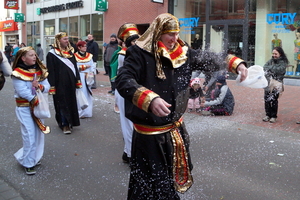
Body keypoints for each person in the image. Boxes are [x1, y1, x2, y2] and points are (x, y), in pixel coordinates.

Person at [115, 13, 248, 199]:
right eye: (170, 34)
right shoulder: (139, 52)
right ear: (158, 32)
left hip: (175, 129)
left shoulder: (183, 52)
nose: (174, 39)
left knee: (168, 177)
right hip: (150, 135)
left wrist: (237, 64)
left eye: (177, 33)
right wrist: (149, 99)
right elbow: (123, 79)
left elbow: (209, 58)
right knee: (149, 183)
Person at [11, 46, 50, 175]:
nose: (34, 57)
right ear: (23, 58)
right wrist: (35, 100)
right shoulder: (17, 73)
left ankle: (34, 157)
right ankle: (28, 162)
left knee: (38, 135)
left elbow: (47, 87)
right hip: (24, 108)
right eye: (31, 55)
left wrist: (39, 85)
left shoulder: (39, 70)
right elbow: (22, 91)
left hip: (37, 108)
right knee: (29, 134)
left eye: (34, 55)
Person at [46, 32, 82, 134]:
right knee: (62, 103)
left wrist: (77, 81)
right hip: (59, 84)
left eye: (67, 39)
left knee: (71, 102)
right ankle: (64, 124)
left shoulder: (70, 53)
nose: (67, 41)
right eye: (64, 39)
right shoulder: (52, 54)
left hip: (70, 83)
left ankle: (71, 122)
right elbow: (51, 71)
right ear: (58, 41)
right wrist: (52, 85)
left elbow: (75, 68)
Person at [115, 23, 140, 163]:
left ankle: (127, 152)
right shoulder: (125, 54)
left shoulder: (134, 52)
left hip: (133, 90)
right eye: (135, 40)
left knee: (133, 123)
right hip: (127, 91)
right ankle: (131, 155)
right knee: (129, 124)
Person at [263, 46, 288, 123]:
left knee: (274, 100)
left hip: (277, 84)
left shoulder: (283, 62)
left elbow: (280, 70)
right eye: (273, 53)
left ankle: (273, 116)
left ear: (280, 54)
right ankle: (267, 115)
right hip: (268, 83)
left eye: (275, 54)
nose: (274, 55)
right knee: (266, 99)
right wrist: (272, 68)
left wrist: (270, 68)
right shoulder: (271, 60)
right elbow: (264, 67)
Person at [74, 41, 94, 118]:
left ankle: (88, 112)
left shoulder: (89, 56)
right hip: (79, 77)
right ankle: (81, 112)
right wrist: (84, 67)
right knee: (80, 94)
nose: (85, 47)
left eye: (86, 46)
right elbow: (74, 68)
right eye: (83, 46)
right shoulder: (74, 56)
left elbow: (92, 67)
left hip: (88, 77)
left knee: (88, 94)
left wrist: (91, 75)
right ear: (79, 47)